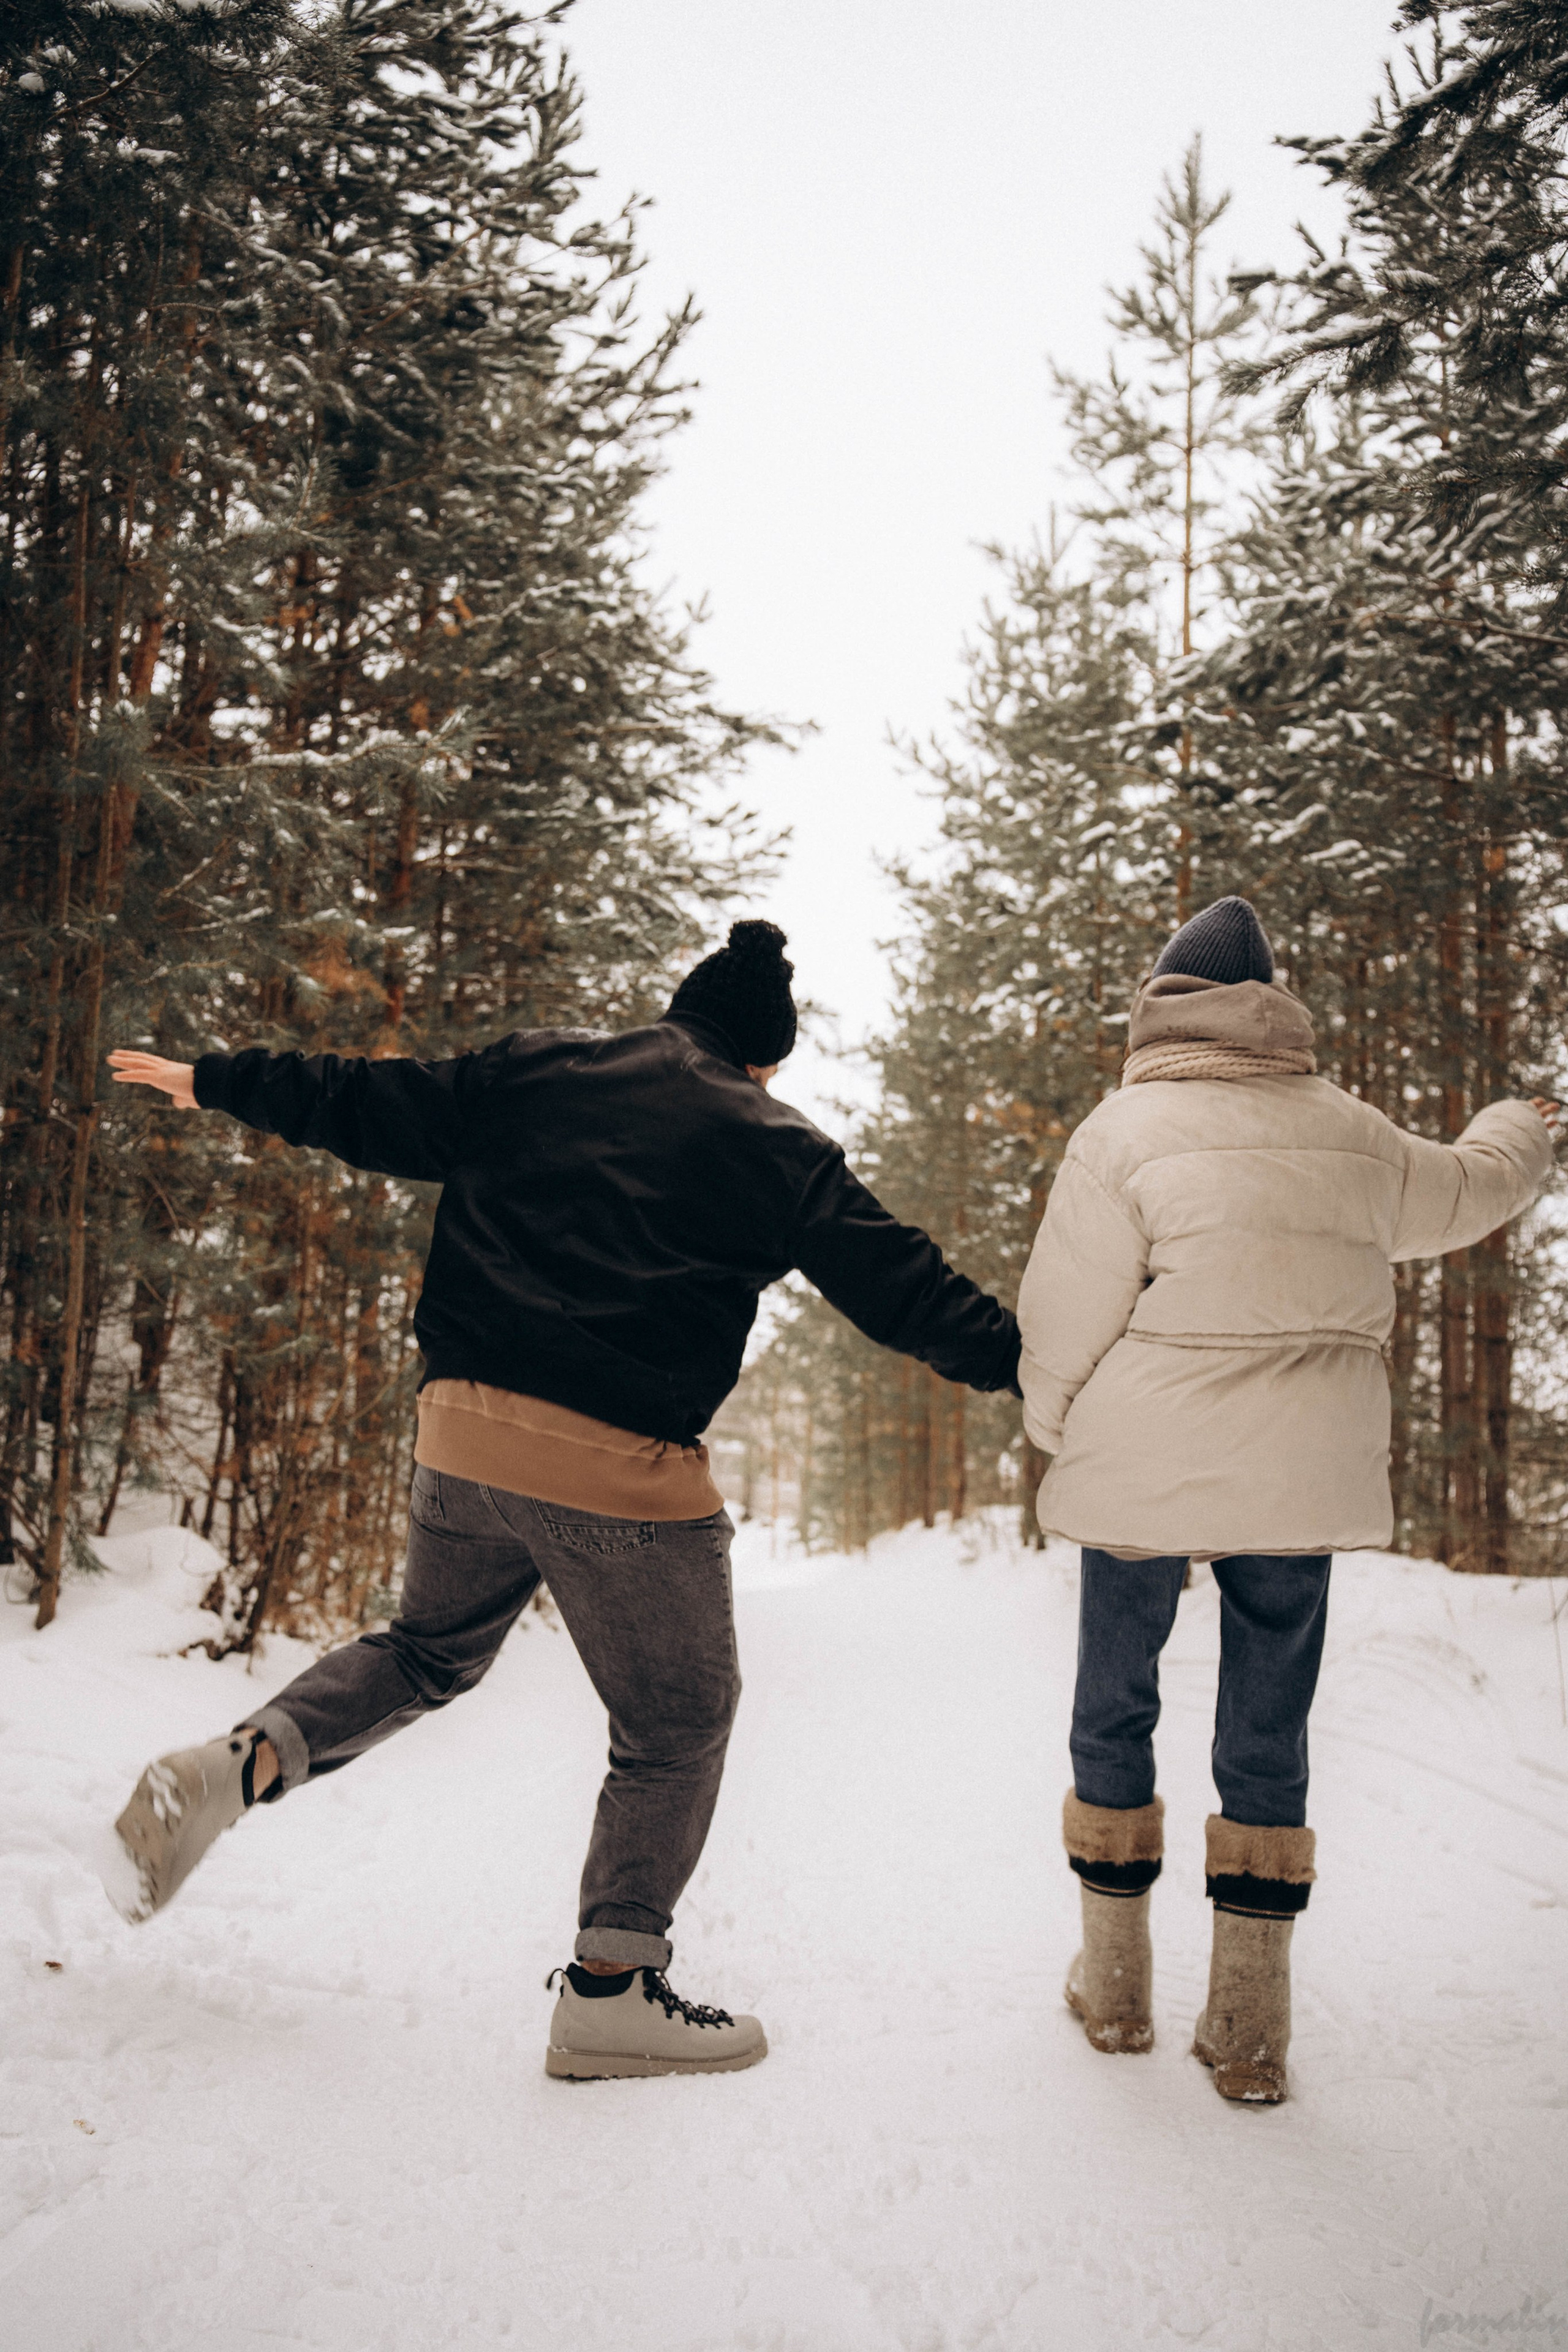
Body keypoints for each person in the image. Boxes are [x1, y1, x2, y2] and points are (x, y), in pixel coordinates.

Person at [105, 920, 1020, 2079]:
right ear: (764, 1062)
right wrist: (1033, 1366)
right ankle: (612, 1989)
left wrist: (215, 1080)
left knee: (427, 1653)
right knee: (677, 1721)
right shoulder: (778, 1147)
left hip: (463, 1434)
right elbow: (907, 1290)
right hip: (615, 1469)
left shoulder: (536, 1067)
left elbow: (365, 1101)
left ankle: (241, 1761)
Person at [1016, 895, 1557, 2105]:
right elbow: (1470, 1190)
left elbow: (1061, 1319)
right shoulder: (1352, 1132)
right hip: (1297, 1480)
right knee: (1266, 1726)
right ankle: (1248, 2024)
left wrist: (1058, 1436)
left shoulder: (1120, 1132)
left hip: (1136, 1476)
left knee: (1113, 1703)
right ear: (1270, 1006)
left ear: (1160, 1007)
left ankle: (1110, 1991)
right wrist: (1516, 1123)